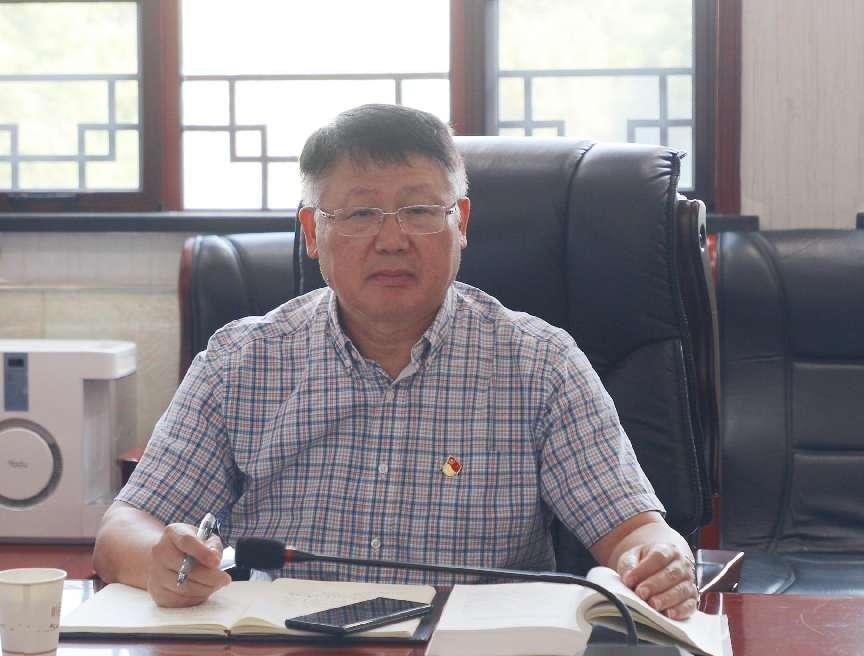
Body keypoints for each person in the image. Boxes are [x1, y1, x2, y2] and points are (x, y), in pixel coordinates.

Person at [93, 104, 699, 619]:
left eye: (420, 211)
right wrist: (160, 560)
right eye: (360, 214)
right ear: (312, 232)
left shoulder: (540, 365)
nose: (391, 240)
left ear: (461, 223)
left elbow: (633, 529)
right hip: (283, 644)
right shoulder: (240, 362)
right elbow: (125, 528)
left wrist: (657, 562)